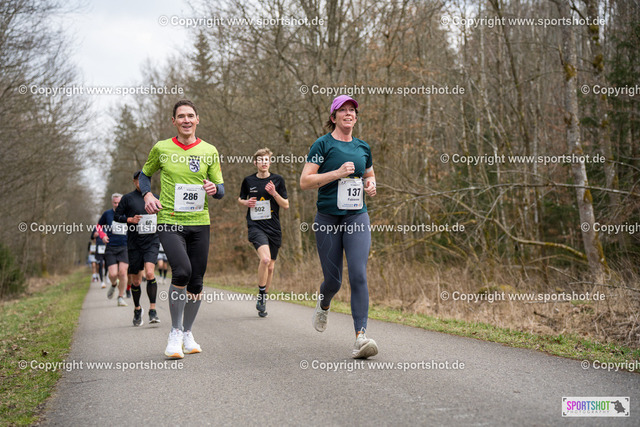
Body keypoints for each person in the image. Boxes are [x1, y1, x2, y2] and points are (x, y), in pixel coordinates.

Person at [139, 99, 224, 359]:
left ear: (197, 119)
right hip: (170, 220)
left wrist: (214, 189)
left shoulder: (209, 150)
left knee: (196, 282)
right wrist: (147, 195)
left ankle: (188, 333)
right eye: (181, 116)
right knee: (183, 271)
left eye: (190, 115)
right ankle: (174, 332)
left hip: (200, 222)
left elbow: (221, 189)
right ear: (173, 121)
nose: (186, 120)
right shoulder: (162, 148)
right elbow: (144, 174)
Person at [300, 95, 378, 359]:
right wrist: (337, 173)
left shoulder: (363, 147)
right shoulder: (322, 144)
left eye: (352, 110)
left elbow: (369, 174)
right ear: (333, 117)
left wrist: (371, 184)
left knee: (358, 273)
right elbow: (305, 181)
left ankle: (360, 337)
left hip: (357, 217)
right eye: (342, 110)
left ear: (356, 117)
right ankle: (324, 303)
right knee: (333, 281)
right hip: (328, 220)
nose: (348, 114)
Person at [238, 148, 289, 317]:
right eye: (260, 160)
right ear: (255, 163)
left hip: (274, 228)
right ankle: (261, 295)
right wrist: (246, 203)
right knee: (265, 259)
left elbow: (286, 204)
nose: (264, 163)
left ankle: (263, 298)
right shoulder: (248, 180)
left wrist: (274, 193)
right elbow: (240, 199)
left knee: (271, 267)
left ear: (270, 162)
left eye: (266, 160)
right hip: (256, 226)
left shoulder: (278, 180)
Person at [115, 170, 162, 326]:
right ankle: (137, 309)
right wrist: (130, 219)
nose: (140, 182)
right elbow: (117, 217)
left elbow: (165, 216)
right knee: (136, 281)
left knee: (149, 273)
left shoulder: (156, 198)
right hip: (134, 243)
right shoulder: (127, 198)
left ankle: (153, 310)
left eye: (144, 180)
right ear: (134, 182)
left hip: (151, 241)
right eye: (138, 180)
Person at [96, 194, 129, 307]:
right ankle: (114, 284)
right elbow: (99, 226)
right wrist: (103, 236)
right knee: (113, 274)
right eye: (115, 203)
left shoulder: (127, 213)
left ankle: (120, 297)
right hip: (111, 247)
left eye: (119, 203)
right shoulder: (107, 214)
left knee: (123, 273)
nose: (117, 205)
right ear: (112, 202)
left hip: (124, 247)